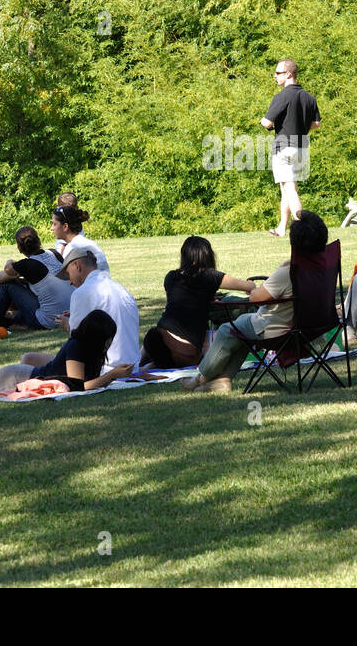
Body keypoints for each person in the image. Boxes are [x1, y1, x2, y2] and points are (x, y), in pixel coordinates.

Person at [182, 211, 328, 394]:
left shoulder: (290, 271)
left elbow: (255, 298)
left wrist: (253, 289)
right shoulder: (324, 265)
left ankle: (201, 377)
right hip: (312, 328)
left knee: (229, 329)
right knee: (240, 332)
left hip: (278, 330)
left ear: (294, 242)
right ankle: (223, 381)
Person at [0, 312, 135, 399]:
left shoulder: (85, 349)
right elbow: (76, 386)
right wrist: (112, 375)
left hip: (21, 375)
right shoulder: (77, 347)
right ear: (97, 337)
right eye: (107, 338)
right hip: (14, 378)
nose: (109, 343)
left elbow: (86, 382)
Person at [141, 237, 256, 370]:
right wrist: (251, 284)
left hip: (161, 341)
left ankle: (136, 365)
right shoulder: (211, 276)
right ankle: (148, 366)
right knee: (159, 343)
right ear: (208, 255)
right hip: (189, 354)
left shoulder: (171, 277)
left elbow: (185, 299)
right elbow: (248, 286)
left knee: (153, 337)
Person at [54, 242, 139, 372]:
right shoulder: (120, 289)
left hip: (104, 369)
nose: (70, 281)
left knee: (30, 359)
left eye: (68, 274)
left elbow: (77, 342)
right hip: (132, 367)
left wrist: (66, 325)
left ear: (76, 266)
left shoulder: (81, 293)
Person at [261, 58, 320, 237]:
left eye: (278, 73)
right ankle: (281, 227)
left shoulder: (282, 96)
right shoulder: (309, 96)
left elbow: (266, 122)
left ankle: (303, 228)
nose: (275, 76)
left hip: (284, 146)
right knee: (285, 188)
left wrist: (270, 124)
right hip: (301, 147)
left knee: (290, 188)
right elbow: (316, 123)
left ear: (288, 74)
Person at [0, 226, 72, 333]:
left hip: (48, 321)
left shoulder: (26, 265)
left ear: (19, 249)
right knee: (23, 285)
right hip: (70, 314)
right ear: (39, 241)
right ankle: (8, 319)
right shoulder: (54, 253)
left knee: (8, 285)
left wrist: (9, 262)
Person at [51, 204, 109, 270]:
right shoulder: (88, 243)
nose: (51, 228)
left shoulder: (72, 249)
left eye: (54, 224)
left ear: (65, 227)